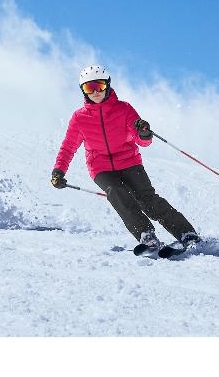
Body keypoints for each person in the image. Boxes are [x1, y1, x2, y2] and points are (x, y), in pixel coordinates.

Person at [51, 65, 201, 251]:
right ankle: (146, 235)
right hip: (101, 167)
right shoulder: (79, 118)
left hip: (129, 162)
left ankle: (186, 233)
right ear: (83, 91)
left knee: (147, 199)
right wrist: (59, 170)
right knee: (117, 193)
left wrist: (144, 133)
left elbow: (142, 141)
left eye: (99, 85)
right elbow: (68, 146)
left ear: (107, 85)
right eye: (90, 88)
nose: (96, 92)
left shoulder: (124, 109)